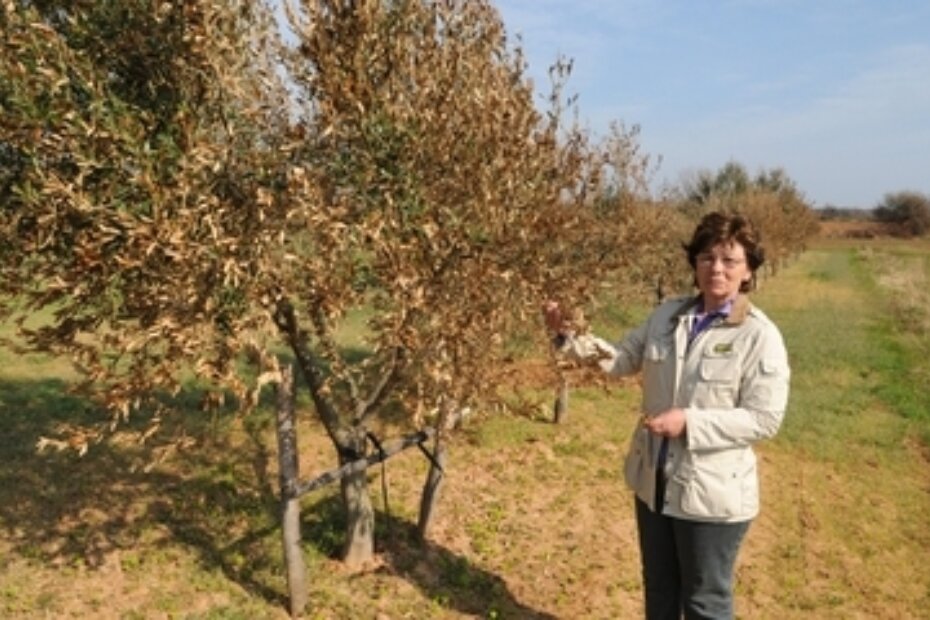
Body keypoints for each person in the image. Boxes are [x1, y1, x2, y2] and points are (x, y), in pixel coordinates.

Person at [543, 211, 790, 620]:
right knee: (659, 592)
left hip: (711, 497)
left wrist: (690, 422)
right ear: (694, 263)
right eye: (708, 257)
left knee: (703, 602)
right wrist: (568, 337)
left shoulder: (759, 337)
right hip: (654, 483)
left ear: (748, 271)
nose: (717, 268)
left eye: (730, 260)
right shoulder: (667, 316)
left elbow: (764, 418)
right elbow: (620, 360)